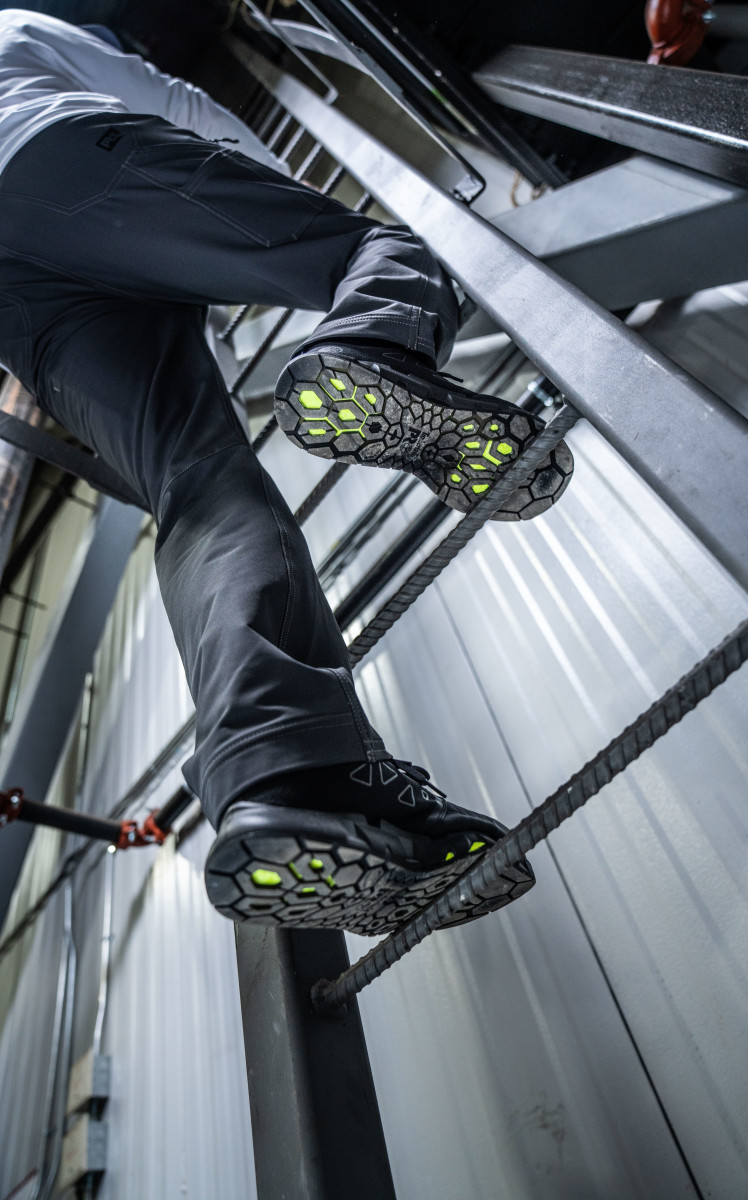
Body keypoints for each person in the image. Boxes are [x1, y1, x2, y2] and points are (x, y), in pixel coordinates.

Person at [0, 8, 573, 936]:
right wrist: (270, 212)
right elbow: (172, 100)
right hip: (58, 162)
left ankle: (288, 775)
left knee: (201, 489)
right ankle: (371, 344)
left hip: (22, 312)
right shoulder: (20, 26)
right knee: (378, 252)